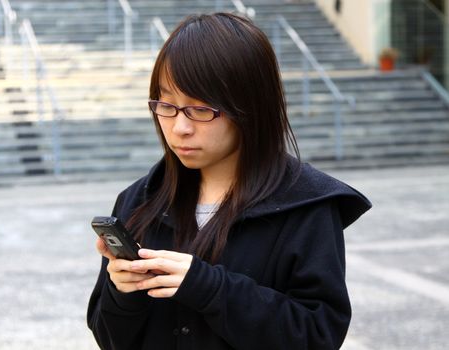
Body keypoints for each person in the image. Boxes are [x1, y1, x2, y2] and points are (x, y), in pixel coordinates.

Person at [87, 13, 371, 350]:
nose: (180, 128)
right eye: (167, 105)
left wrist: (209, 288)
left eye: (201, 109)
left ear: (249, 108)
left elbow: (316, 336)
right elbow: (109, 339)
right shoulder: (140, 200)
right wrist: (123, 295)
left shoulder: (306, 206)